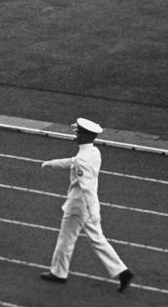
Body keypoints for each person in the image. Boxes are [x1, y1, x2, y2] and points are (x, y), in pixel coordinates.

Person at [39, 118, 133, 293]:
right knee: (97, 239)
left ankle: (59, 273)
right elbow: (72, 161)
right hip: (85, 206)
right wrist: (52, 163)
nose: (76, 134)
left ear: (84, 135)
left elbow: (88, 188)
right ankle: (122, 271)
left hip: (77, 206)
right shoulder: (93, 152)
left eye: (78, 132)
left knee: (66, 239)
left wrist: (95, 212)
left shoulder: (83, 159)